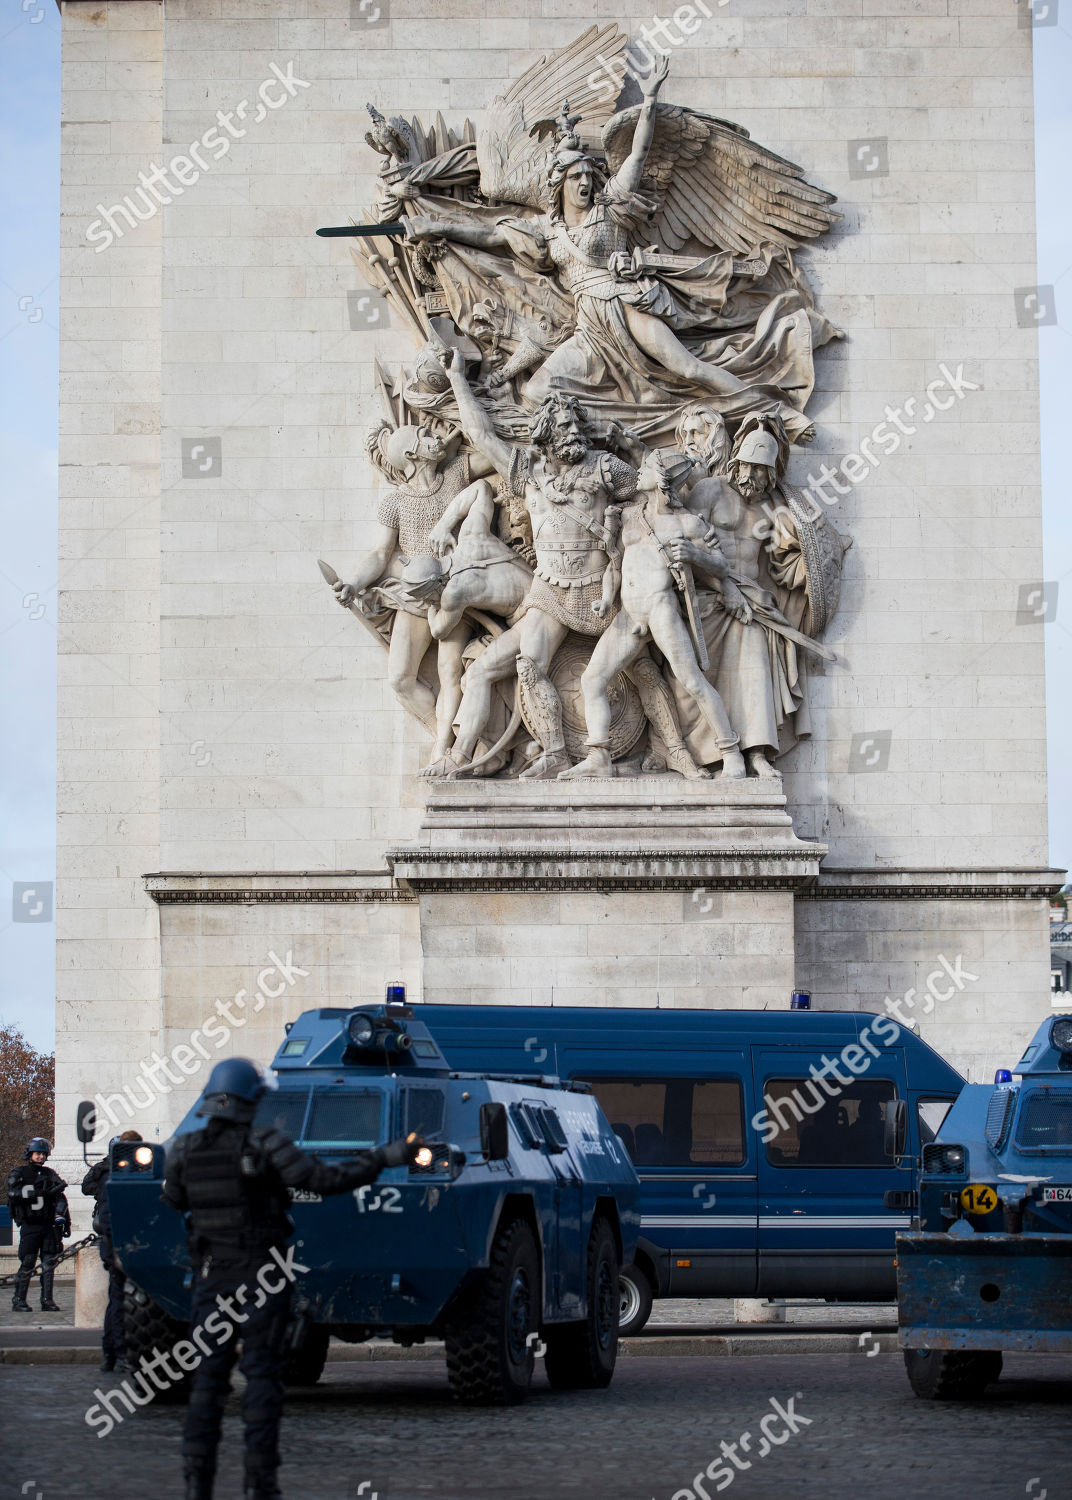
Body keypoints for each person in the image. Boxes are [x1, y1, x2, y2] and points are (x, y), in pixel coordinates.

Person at [162, 1057, 422, 1500]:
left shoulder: (184, 1150)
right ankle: (260, 1486)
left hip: (212, 1279)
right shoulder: (265, 1143)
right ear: (252, 1099)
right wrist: (382, 1157)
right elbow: (323, 1180)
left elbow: (173, 1198)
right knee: (262, 1379)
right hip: (261, 1275)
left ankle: (195, 1485)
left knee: (207, 1383)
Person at [562, 449, 746, 780]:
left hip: (661, 608)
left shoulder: (687, 523)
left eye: (646, 467)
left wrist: (694, 555)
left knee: (692, 681)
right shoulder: (631, 516)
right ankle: (599, 756)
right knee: (592, 679)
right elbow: (615, 566)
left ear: (661, 479)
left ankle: (731, 753)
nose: (639, 470)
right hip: (629, 613)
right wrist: (606, 599)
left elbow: (721, 565)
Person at [82, 1127, 143, 1371]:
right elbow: (108, 1216)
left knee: (117, 1300)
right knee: (119, 1301)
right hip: (120, 1246)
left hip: (122, 1245)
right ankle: (118, 1353)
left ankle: (113, 1353)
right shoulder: (112, 1174)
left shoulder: (120, 1172)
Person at [7, 1136, 70, 1312]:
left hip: (48, 1224)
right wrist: (37, 1194)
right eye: (37, 1153)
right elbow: (13, 1193)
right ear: (30, 1154)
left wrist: (61, 1216)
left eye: (43, 1154)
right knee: (27, 1261)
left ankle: (47, 1300)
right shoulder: (20, 1172)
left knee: (49, 1263)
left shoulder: (49, 1173)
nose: (41, 1157)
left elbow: (60, 1195)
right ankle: (19, 1300)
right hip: (30, 1224)